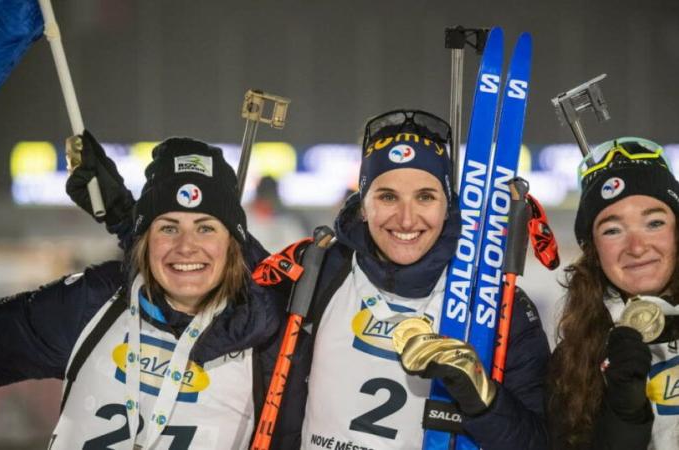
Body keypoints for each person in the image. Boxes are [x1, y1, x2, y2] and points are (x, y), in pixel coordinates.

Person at [68, 111, 550, 449]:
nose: (405, 218)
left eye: (425, 196)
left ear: (449, 204)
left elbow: (540, 441)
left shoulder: (497, 301)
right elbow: (218, 269)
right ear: (362, 200)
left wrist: (484, 400)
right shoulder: (322, 271)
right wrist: (130, 219)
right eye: (386, 195)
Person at [0, 135, 283, 449]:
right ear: (145, 239)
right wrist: (124, 214)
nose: (186, 246)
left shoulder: (266, 341)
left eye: (206, 227)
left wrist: (122, 212)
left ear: (234, 244)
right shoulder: (96, 301)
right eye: (168, 227)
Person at [548, 137, 679, 449]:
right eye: (612, 230)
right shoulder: (572, 361)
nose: (636, 247)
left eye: (654, 223)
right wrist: (624, 415)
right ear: (592, 250)